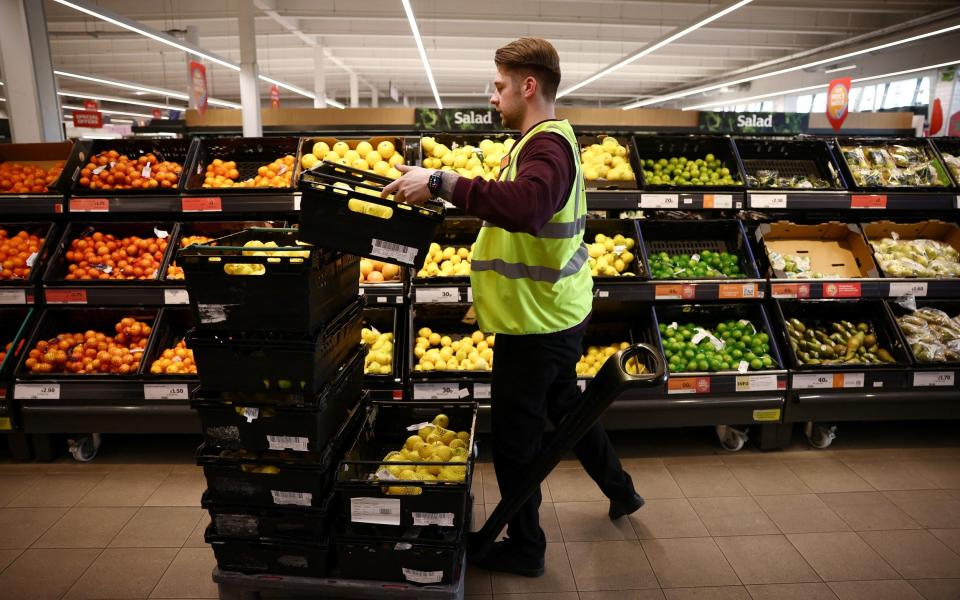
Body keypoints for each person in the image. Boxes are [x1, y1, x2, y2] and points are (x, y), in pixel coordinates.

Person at [382, 37, 644, 578]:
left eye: (500, 86)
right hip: (551, 309)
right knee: (568, 408)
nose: (493, 95)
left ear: (528, 86)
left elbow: (527, 208)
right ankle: (622, 491)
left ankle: (526, 548)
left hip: (537, 321)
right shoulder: (540, 141)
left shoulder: (546, 147)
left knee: (517, 441)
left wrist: (440, 182)